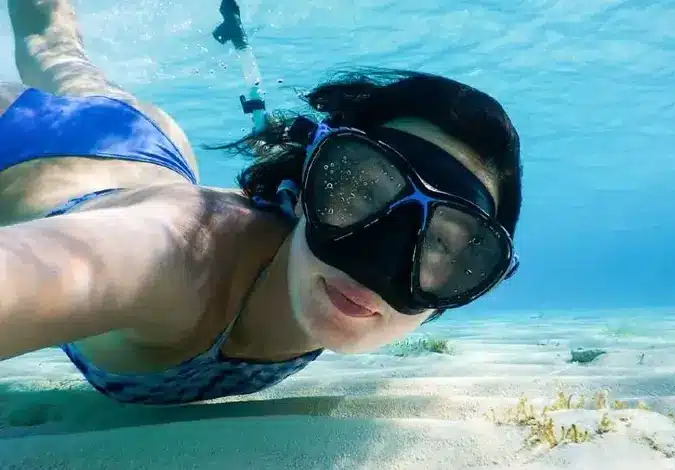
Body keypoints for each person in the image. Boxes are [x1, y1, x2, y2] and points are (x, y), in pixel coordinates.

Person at [0, 0, 522, 405]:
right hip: (23, 150)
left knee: (54, 46)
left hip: (153, 147)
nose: (376, 268)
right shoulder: (182, 256)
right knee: (49, 44)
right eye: (363, 190)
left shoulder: (318, 274)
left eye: (443, 248)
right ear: (304, 191)